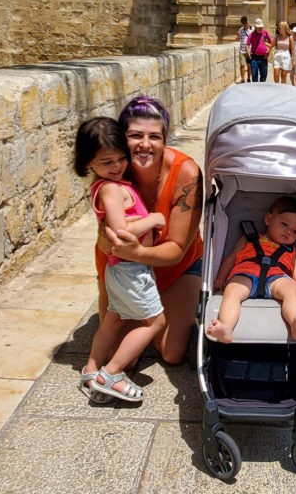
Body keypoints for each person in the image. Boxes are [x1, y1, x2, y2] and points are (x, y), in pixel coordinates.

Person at [96, 95, 203, 364]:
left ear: (165, 139)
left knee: (172, 352)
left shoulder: (186, 174)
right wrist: (124, 250)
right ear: (122, 140)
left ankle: (169, 306)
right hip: (123, 269)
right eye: (135, 136)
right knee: (120, 357)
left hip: (175, 267)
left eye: (154, 137)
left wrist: (136, 251)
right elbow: (108, 240)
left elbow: (177, 249)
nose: (145, 145)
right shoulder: (111, 170)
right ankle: (153, 309)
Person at [74, 117, 166, 403]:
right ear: (89, 163)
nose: (116, 166)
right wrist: (152, 219)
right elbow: (120, 233)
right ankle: (111, 374)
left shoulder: (107, 185)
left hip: (119, 270)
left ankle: (91, 370)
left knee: (113, 319)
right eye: (106, 162)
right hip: (130, 270)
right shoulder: (112, 189)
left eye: (119, 159)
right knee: (155, 322)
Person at [207, 196, 296, 343]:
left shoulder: (291, 251)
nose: (288, 232)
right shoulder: (249, 238)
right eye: (284, 224)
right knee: (232, 291)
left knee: (290, 290)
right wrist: (220, 278)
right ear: (268, 219)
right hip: (245, 276)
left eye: (295, 231)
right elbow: (231, 258)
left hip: (277, 279)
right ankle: (226, 328)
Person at [247, 18, 273, 82]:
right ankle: (255, 90)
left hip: (263, 57)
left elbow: (272, 43)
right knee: (254, 75)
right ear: (255, 27)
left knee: (264, 75)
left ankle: (262, 89)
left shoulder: (265, 33)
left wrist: (269, 50)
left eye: (261, 27)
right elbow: (247, 44)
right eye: (258, 27)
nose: (260, 29)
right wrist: (248, 53)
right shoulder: (252, 34)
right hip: (254, 57)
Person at [237, 15, 252, 83]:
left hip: (250, 50)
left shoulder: (253, 29)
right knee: (242, 65)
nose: (245, 24)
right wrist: (237, 36)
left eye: (246, 22)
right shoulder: (240, 30)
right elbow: (239, 38)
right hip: (242, 50)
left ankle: (248, 78)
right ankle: (243, 79)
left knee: (249, 66)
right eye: (244, 23)